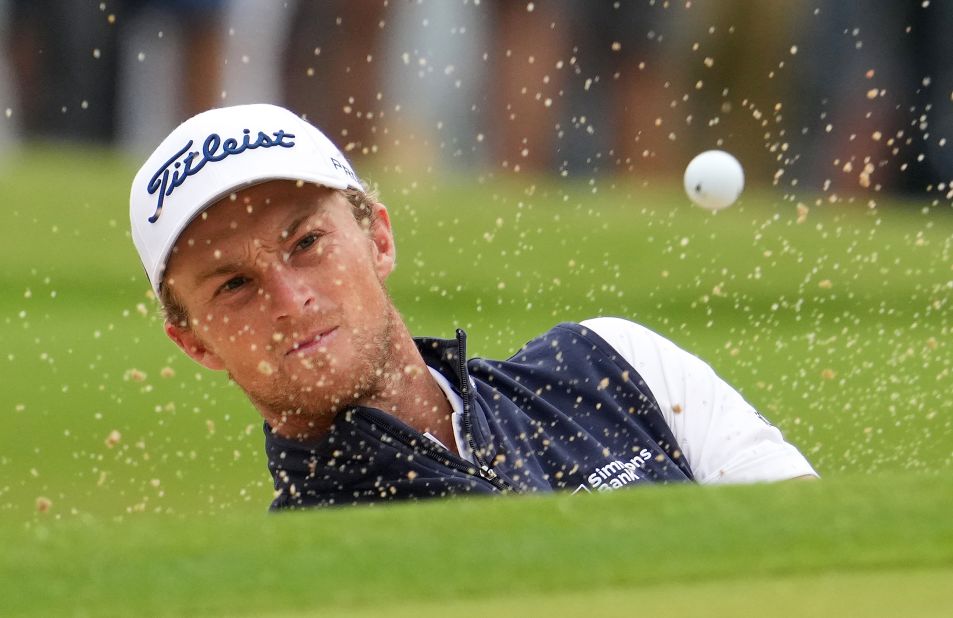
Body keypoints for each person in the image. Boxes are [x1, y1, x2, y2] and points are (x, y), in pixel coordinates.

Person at [129, 103, 817, 510]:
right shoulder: (299, 571)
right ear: (195, 344)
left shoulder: (612, 365)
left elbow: (811, 562)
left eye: (307, 242)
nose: (290, 299)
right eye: (233, 286)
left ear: (378, 238)